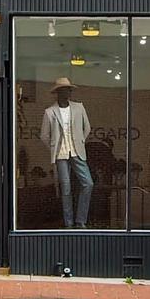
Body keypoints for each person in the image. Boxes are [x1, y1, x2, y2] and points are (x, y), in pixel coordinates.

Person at [40, 78, 92, 229]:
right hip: (61, 154)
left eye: (69, 89)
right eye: (64, 90)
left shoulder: (79, 107)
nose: (67, 92)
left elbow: (87, 127)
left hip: (77, 152)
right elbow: (44, 135)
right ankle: (69, 223)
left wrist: (80, 141)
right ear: (57, 92)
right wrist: (53, 149)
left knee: (88, 183)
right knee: (66, 187)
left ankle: (81, 220)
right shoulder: (49, 112)